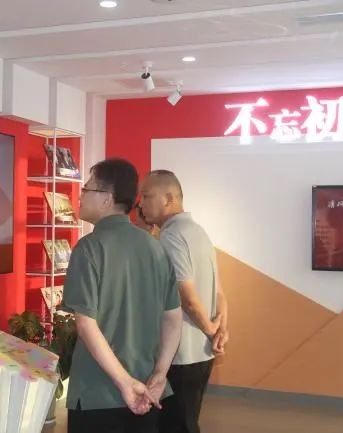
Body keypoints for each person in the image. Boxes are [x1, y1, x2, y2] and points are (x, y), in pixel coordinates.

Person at [62, 158, 183, 433]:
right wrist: (160, 374)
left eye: (87, 189)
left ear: (107, 198)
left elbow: (86, 324)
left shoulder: (89, 248)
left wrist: (124, 383)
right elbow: (173, 318)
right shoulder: (155, 248)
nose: (80, 195)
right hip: (148, 391)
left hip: (97, 393)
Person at [139, 169, 229, 433]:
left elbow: (186, 296)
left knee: (175, 425)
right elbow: (219, 294)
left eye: (147, 196)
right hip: (201, 351)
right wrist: (219, 331)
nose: (142, 203)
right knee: (186, 422)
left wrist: (211, 329)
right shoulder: (198, 231)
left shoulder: (171, 235)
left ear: (169, 199)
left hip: (180, 353)